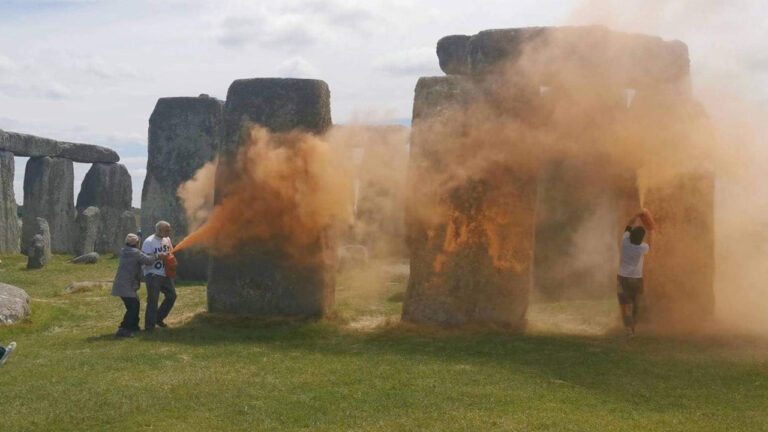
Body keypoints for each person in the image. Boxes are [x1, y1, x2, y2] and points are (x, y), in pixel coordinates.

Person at [112, 233, 165, 337]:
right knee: (133, 307)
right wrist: (158, 256)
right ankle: (124, 329)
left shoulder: (124, 250)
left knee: (134, 305)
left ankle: (134, 327)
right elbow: (148, 260)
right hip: (126, 285)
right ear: (136, 243)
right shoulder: (134, 252)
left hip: (123, 284)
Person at [617, 209, 654, 338]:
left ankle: (629, 330)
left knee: (625, 306)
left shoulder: (625, 241)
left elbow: (629, 225)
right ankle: (633, 328)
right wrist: (651, 230)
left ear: (631, 235)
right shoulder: (642, 248)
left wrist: (636, 215)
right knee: (636, 306)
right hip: (637, 280)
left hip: (622, 279)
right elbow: (650, 244)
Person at [142, 221, 176, 331]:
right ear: (159, 230)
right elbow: (144, 260)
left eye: (169, 229)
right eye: (167, 230)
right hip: (153, 274)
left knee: (172, 296)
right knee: (153, 300)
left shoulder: (167, 240)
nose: (169, 232)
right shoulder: (149, 242)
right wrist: (157, 256)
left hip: (165, 273)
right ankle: (149, 327)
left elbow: (170, 253)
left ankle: (158, 318)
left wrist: (172, 262)